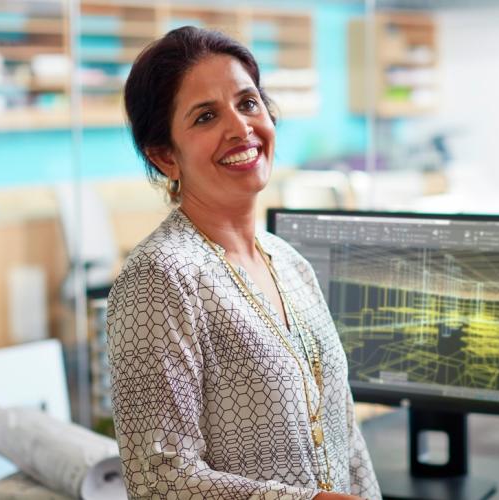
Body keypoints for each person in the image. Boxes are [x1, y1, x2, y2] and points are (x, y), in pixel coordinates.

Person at [106, 26, 381, 500]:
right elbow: (159, 480)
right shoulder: (159, 279)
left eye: (248, 103)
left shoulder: (290, 263)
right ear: (164, 156)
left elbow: (346, 440)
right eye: (206, 117)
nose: (240, 128)